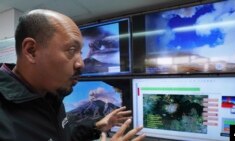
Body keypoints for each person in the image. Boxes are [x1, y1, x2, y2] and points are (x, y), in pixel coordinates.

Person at [0, 9, 145, 141]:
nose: (81, 64)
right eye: (71, 49)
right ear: (31, 51)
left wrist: (96, 126)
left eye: (80, 52)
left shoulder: (51, 95)